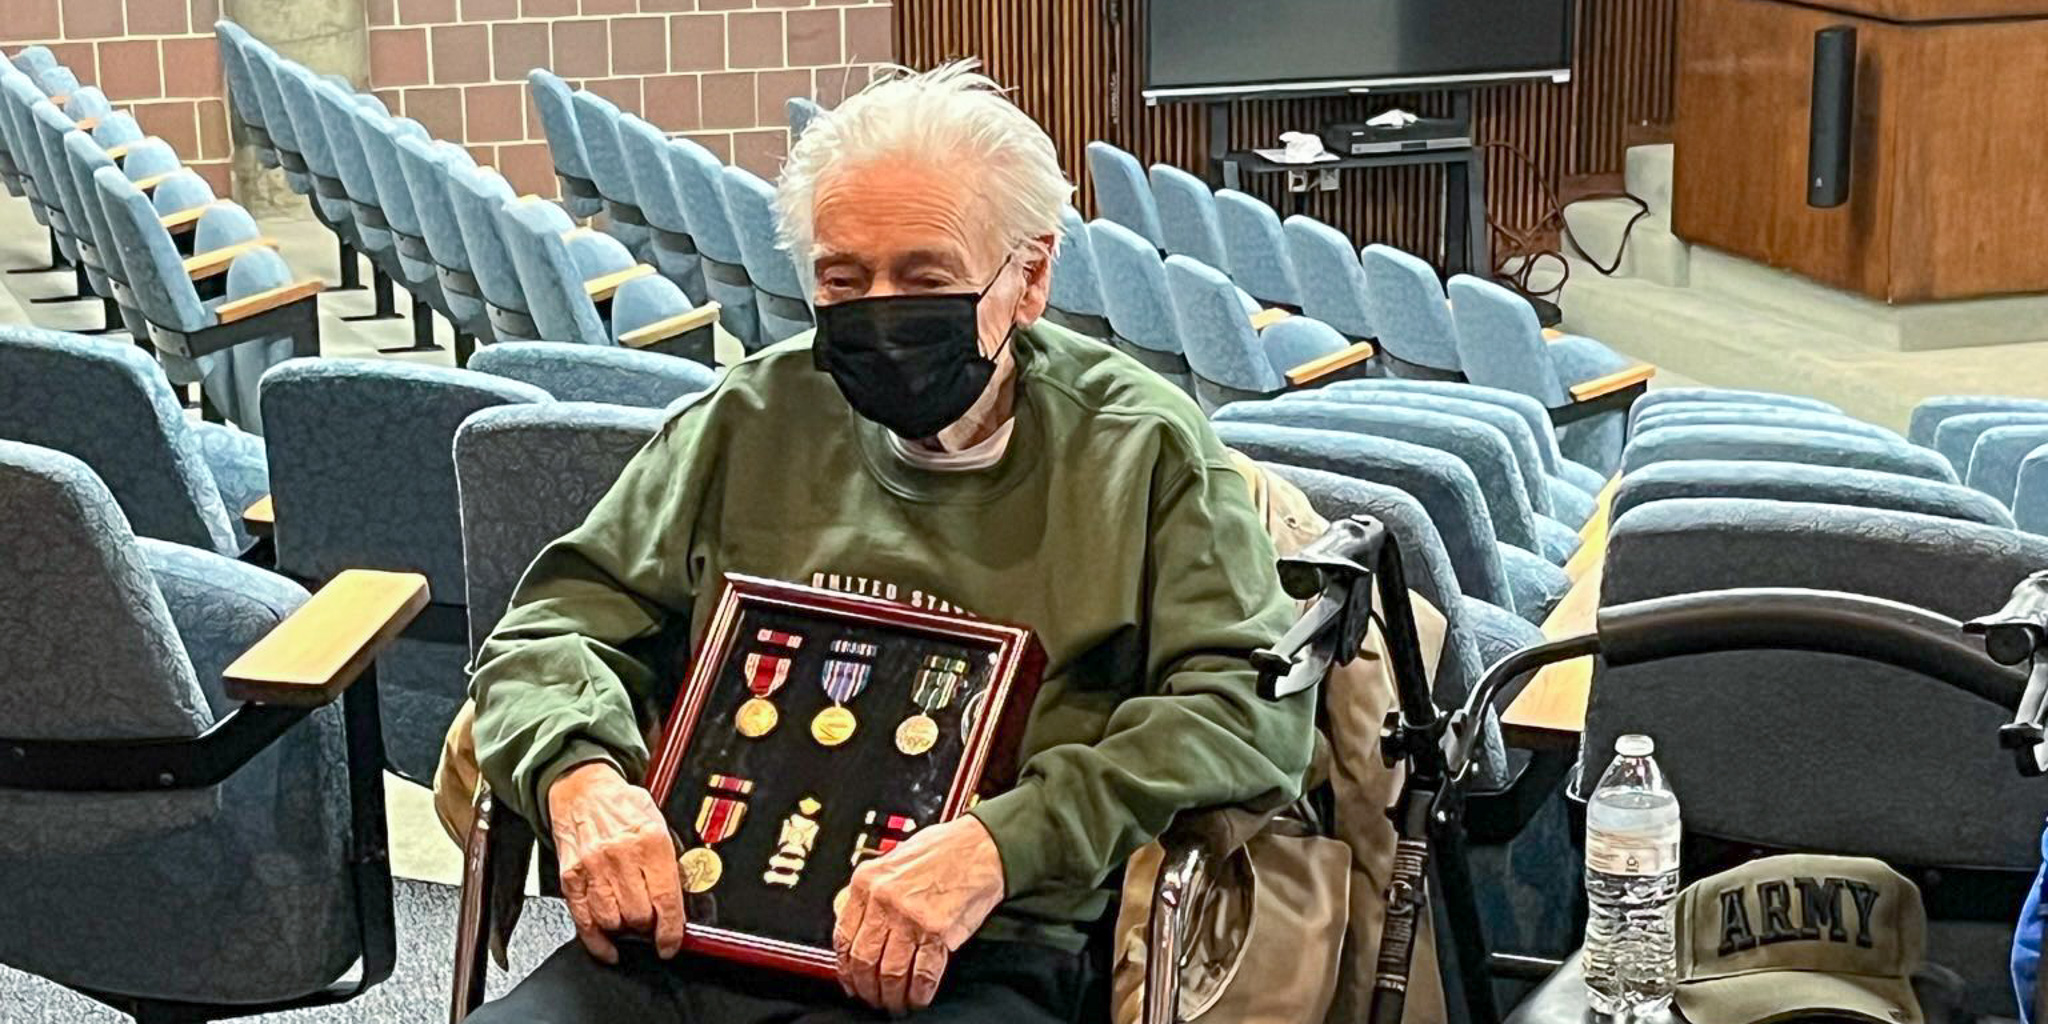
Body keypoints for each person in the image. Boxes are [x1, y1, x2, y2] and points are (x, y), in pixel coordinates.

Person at [465, 61, 1315, 1023]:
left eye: (925, 278)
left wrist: (1008, 841)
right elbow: (547, 632)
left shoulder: (1143, 448)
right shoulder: (750, 415)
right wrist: (580, 777)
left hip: (982, 946)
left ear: (1029, 276)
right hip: (689, 923)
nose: (880, 310)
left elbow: (1247, 710)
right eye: (842, 279)